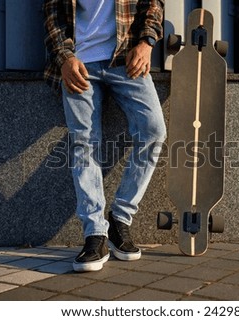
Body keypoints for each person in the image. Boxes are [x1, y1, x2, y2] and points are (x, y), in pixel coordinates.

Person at [43, 0, 166, 272]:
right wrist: (65, 58)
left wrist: (146, 43)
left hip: (127, 57)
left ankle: (120, 219)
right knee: (83, 142)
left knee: (153, 130)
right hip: (79, 62)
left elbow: (153, 5)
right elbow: (53, 17)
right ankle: (94, 233)